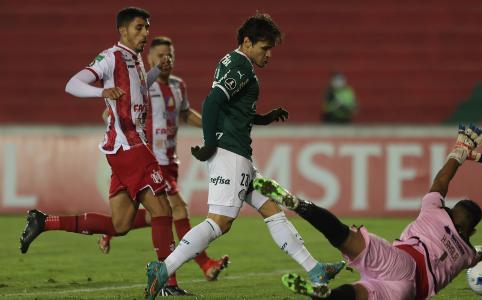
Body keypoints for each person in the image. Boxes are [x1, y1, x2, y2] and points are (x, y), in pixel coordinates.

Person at [144, 13, 345, 300]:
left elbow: (234, 110)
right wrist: (211, 143)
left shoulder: (233, 62)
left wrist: (264, 118)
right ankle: (162, 271)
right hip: (230, 153)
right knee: (220, 222)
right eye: (264, 48)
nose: (269, 55)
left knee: (272, 209)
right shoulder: (241, 66)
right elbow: (212, 102)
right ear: (247, 42)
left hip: (238, 154)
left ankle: (315, 269)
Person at [252, 124, 482, 299]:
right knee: (361, 294)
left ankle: (298, 204)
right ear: (470, 231)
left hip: (401, 261)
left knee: (343, 236)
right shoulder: (466, 254)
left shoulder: (434, 211)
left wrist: (460, 150)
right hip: (408, 293)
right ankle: (325, 295)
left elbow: (441, 181)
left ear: (451, 208)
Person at [19, 7, 190, 296]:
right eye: (139, 27)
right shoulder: (111, 56)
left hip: (124, 148)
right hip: (130, 145)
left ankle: (43, 222)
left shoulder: (134, 59)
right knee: (163, 210)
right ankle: (168, 284)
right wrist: (101, 92)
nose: (145, 33)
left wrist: (154, 72)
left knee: (120, 224)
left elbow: (137, 90)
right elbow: (72, 84)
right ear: (123, 30)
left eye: (147, 27)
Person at [97, 36, 230, 285]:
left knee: (153, 217)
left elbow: (184, 113)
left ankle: (110, 231)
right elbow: (109, 112)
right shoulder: (141, 86)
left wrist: (211, 127)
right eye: (159, 56)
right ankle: (203, 265)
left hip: (170, 161)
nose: (165, 60)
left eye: (169, 55)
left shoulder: (179, 86)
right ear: (149, 59)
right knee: (178, 209)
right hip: (151, 160)